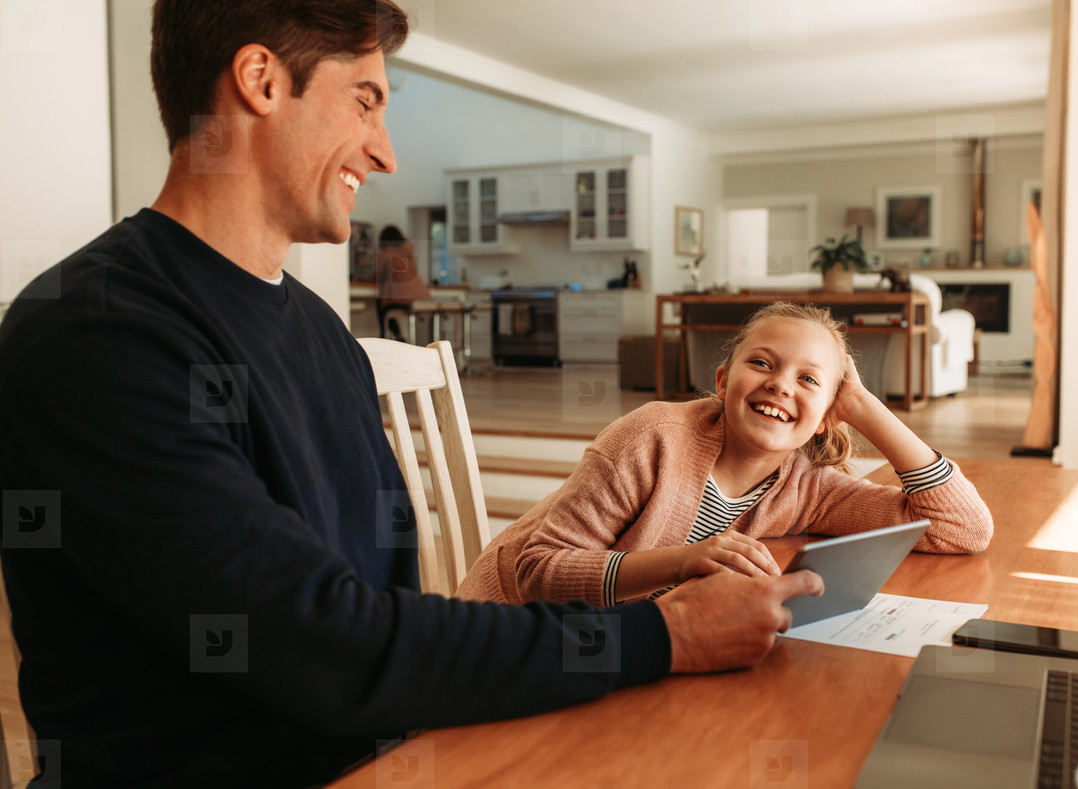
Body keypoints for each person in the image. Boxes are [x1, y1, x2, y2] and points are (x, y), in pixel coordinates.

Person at [0, 2, 824, 786]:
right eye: (366, 102)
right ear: (259, 80)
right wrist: (666, 630)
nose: (386, 152)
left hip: (394, 753)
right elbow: (323, 647)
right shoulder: (94, 336)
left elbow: (380, 615)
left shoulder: (322, 333)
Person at [456, 302, 993, 606]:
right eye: (762, 363)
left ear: (831, 412)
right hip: (505, 630)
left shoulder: (809, 487)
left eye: (808, 379)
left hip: (618, 637)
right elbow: (539, 573)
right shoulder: (650, 438)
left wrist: (865, 406)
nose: (781, 385)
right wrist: (687, 560)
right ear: (722, 381)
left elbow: (962, 529)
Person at [374, 224, 429, 341]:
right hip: (419, 296)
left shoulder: (387, 251)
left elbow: (378, 275)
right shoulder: (408, 250)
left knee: (382, 303)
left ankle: (384, 335)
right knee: (387, 305)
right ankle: (397, 335)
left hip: (401, 298)